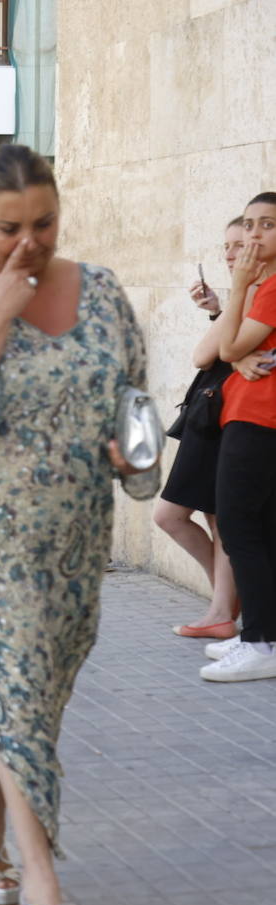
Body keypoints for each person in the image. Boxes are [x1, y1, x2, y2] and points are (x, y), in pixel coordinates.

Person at [0, 144, 153, 905]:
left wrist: (129, 458)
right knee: (14, 684)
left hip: (74, 538)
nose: (29, 242)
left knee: (16, 699)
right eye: (10, 227)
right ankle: (42, 876)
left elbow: (133, 398)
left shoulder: (102, 292)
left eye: (44, 223)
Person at [156, 218, 267, 639]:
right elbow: (228, 347)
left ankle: (225, 605)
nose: (232, 254)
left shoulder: (258, 290)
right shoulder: (250, 294)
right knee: (212, 517)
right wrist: (221, 312)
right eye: (227, 246)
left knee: (180, 515)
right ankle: (223, 603)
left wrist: (229, 312)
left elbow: (205, 355)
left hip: (225, 414)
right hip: (212, 411)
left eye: (241, 245)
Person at [201, 191, 276, 682]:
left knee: (239, 527)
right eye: (248, 224)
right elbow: (229, 348)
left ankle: (261, 642)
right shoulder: (262, 284)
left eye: (266, 225)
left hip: (260, 418)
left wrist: (238, 284)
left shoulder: (265, 287)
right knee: (257, 529)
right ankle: (261, 634)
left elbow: (226, 344)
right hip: (248, 413)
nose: (252, 235)